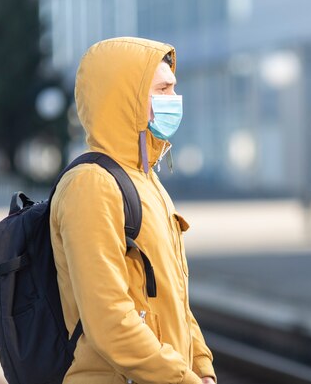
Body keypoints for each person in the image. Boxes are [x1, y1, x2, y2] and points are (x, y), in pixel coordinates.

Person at [50, 37, 217, 384]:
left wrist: (202, 368)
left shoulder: (146, 181)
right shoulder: (91, 187)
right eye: (163, 89)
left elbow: (176, 301)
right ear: (128, 99)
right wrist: (181, 378)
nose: (174, 100)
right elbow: (109, 321)